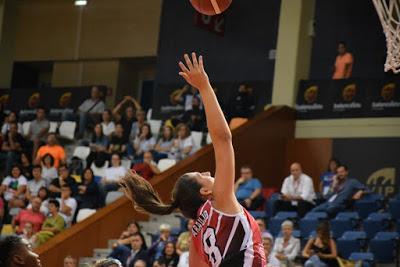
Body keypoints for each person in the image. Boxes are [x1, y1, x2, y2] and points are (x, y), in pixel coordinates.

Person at [120, 53, 265, 266]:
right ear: (205, 192)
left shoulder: (196, 233)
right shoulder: (220, 201)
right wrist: (205, 87)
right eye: (200, 175)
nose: (207, 172)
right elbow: (223, 139)